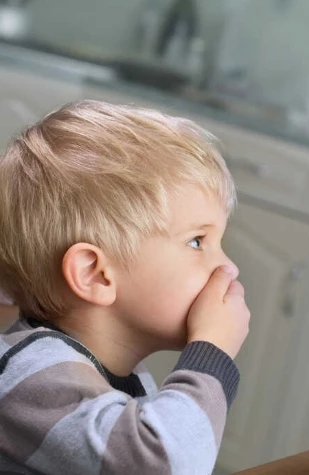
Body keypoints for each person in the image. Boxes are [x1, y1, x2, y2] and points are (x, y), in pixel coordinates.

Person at [0, 100, 250, 474]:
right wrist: (210, 353)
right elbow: (164, 465)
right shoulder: (36, 379)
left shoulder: (115, 373)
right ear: (95, 275)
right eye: (197, 241)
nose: (228, 267)